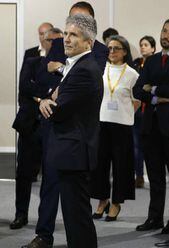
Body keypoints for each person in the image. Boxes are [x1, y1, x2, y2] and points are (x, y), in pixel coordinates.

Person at [22, 3, 106, 248]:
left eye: (73, 35)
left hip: (74, 150)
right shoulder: (79, 65)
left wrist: (46, 102)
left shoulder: (84, 69)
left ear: (88, 42)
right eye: (66, 33)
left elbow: (58, 111)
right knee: (75, 217)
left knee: (77, 218)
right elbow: (55, 94)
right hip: (70, 148)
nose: (65, 40)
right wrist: (50, 97)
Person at [133, 18, 169, 234]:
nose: (166, 35)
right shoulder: (150, 61)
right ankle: (154, 218)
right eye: (164, 31)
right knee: (155, 177)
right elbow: (137, 90)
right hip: (151, 126)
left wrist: (153, 88)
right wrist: (157, 97)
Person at [10, 28, 63, 230]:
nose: (58, 45)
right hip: (30, 124)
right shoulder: (32, 61)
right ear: (47, 41)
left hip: (52, 126)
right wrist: (46, 96)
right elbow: (24, 87)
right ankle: (20, 214)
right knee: (24, 172)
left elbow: (63, 92)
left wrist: (40, 94)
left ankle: (44, 220)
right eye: (54, 41)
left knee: (49, 176)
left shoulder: (64, 67)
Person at [90, 35, 138, 221]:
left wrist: (123, 114)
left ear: (125, 51)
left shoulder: (132, 74)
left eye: (116, 48)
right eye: (109, 48)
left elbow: (137, 101)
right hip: (100, 123)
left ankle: (116, 203)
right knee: (99, 166)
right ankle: (103, 200)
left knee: (121, 166)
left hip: (122, 125)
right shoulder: (100, 69)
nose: (112, 51)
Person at [132, 35, 156, 188]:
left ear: (153, 48)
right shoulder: (136, 64)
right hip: (136, 109)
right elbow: (136, 87)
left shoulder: (158, 63)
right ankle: (138, 175)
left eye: (146, 45)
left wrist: (146, 88)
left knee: (151, 146)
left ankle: (153, 176)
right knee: (136, 145)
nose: (143, 47)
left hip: (152, 109)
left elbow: (153, 86)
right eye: (141, 45)